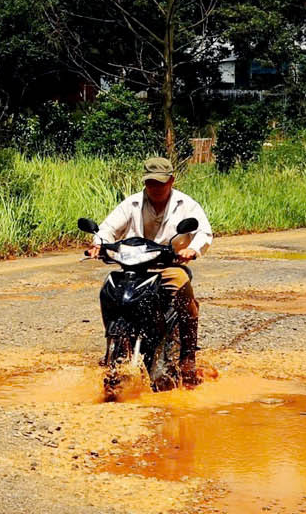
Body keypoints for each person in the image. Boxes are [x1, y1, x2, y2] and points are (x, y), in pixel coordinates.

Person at [86, 156, 214, 384]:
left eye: (160, 182)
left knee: (181, 287)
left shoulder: (186, 205)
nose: (155, 187)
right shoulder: (132, 204)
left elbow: (203, 232)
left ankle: (188, 358)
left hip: (166, 266)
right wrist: (99, 244)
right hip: (133, 269)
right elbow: (108, 228)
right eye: (150, 183)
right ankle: (114, 343)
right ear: (145, 182)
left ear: (171, 180)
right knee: (110, 289)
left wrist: (192, 250)